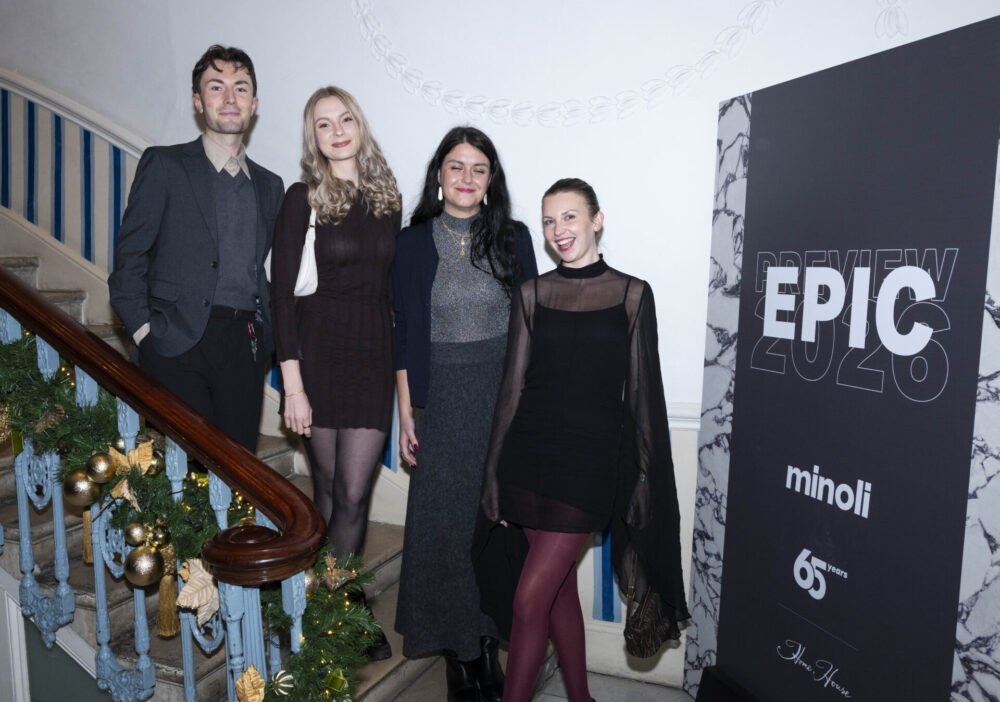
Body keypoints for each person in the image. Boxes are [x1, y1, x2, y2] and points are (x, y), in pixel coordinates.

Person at [476, 179, 690, 702]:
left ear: (597, 220)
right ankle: (581, 698)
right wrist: (493, 475)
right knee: (557, 594)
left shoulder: (632, 294)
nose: (558, 230)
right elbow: (511, 391)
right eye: (549, 221)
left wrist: (644, 478)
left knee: (529, 600)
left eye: (569, 217)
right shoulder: (532, 294)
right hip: (528, 461)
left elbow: (643, 394)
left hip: (589, 469)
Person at [393, 127, 538, 702]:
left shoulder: (515, 237)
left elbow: (533, 326)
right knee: (445, 528)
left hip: (502, 397)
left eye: (479, 168)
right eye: (457, 166)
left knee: (494, 527)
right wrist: (407, 412)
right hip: (440, 397)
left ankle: (486, 639)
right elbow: (404, 331)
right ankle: (460, 653)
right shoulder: (412, 242)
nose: (467, 177)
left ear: (490, 179)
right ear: (439, 174)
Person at [271, 87, 401, 659]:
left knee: (353, 490)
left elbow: (394, 288)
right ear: (314, 138)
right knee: (326, 488)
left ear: (359, 125)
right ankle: (327, 608)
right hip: (319, 351)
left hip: (373, 353)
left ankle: (335, 605)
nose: (338, 131)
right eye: (324, 124)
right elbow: (280, 296)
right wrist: (292, 386)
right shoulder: (302, 197)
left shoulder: (388, 199)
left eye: (345, 119)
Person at [109, 45, 284, 452]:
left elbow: (262, 268)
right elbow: (130, 259)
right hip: (175, 340)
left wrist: (268, 337)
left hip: (245, 343)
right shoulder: (165, 165)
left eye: (241, 88)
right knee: (188, 467)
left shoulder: (271, 185)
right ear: (198, 101)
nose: (230, 98)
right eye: (216, 87)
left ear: (254, 104)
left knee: (238, 468)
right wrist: (146, 335)